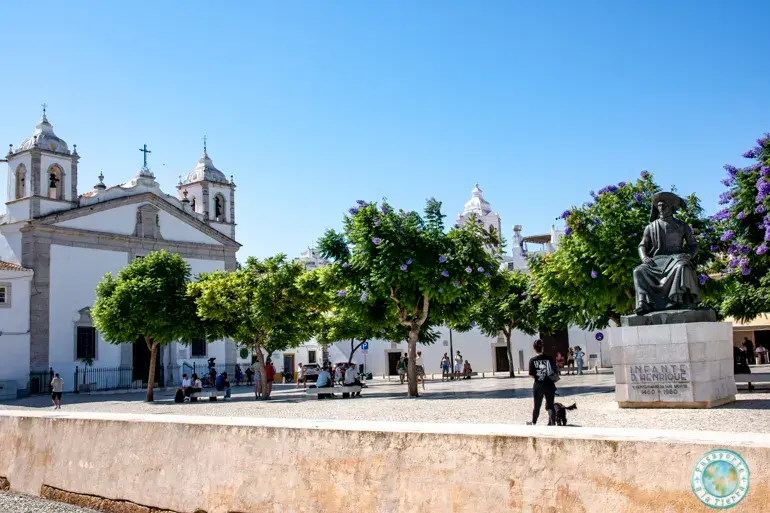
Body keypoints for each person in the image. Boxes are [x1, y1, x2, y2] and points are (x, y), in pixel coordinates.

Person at [633, 192, 701, 314]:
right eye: (659, 206)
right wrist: (644, 257)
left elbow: (694, 245)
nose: (661, 208)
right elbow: (642, 245)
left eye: (664, 206)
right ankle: (643, 302)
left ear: (671, 207)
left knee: (682, 266)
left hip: (676, 259)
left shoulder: (682, 225)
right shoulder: (651, 227)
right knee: (638, 271)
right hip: (657, 261)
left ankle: (679, 299)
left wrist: (689, 255)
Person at [527, 339, 558, 426]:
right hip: (549, 384)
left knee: (537, 406)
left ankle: (534, 423)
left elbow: (531, 375)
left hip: (538, 385)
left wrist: (539, 376)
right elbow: (555, 370)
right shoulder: (549, 358)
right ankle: (553, 423)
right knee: (550, 405)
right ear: (542, 348)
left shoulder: (532, 360)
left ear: (534, 348)